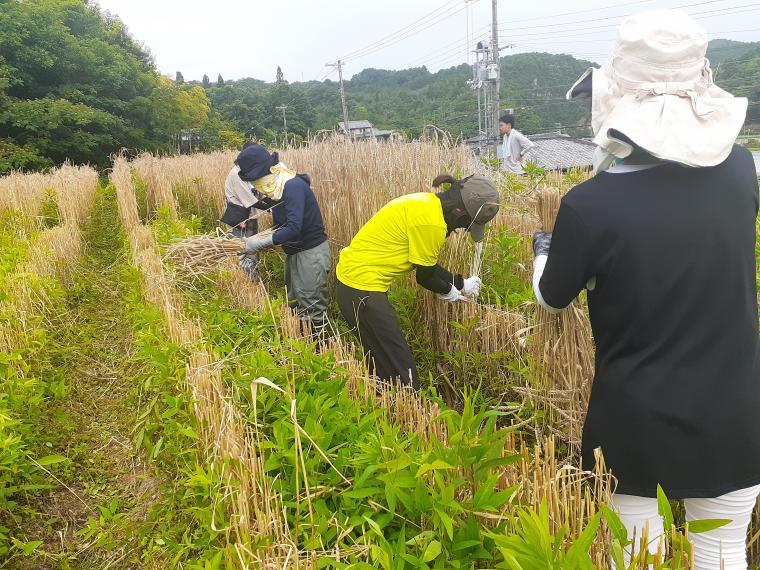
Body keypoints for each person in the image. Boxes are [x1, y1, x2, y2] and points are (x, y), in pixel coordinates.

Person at [531, 10, 760, 569]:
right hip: (735, 410)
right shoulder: (742, 170)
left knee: (638, 558)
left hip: (634, 418)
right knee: (723, 552)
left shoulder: (589, 205)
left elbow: (553, 297)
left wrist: (543, 256)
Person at [335, 174, 500, 390]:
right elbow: (425, 276)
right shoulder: (432, 225)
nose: (461, 229)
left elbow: (427, 265)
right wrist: (448, 291)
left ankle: (386, 406)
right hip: (362, 290)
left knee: (382, 361)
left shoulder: (426, 203)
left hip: (352, 284)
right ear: (458, 211)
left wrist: (460, 284)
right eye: (465, 224)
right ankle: (405, 411)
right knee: (403, 376)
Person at [237, 143, 331, 333]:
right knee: (296, 302)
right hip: (295, 253)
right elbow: (281, 224)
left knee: (312, 307)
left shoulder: (292, 186)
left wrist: (257, 243)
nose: (257, 185)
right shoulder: (278, 190)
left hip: (310, 254)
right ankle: (303, 347)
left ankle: (322, 349)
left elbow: (294, 228)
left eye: (257, 179)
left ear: (268, 171)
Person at [221, 141, 259, 280]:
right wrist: (271, 206)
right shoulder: (236, 174)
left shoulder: (245, 173)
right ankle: (248, 283)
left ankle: (252, 280)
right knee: (245, 251)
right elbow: (250, 201)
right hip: (241, 220)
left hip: (249, 218)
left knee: (252, 250)